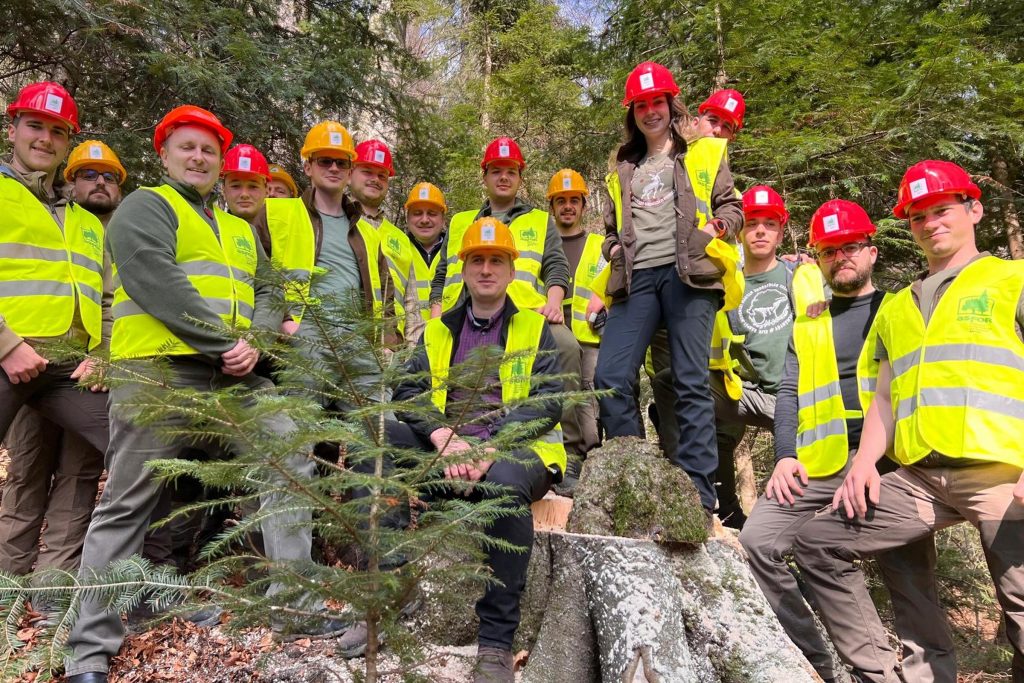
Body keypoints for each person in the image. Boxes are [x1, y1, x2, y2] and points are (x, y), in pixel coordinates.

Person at [63, 105, 343, 683]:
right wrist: (222, 341)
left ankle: (297, 605)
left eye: (208, 151)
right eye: (187, 147)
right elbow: (151, 275)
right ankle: (88, 649)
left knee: (288, 451)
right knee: (128, 503)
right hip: (162, 375)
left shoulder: (239, 229)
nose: (198, 158)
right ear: (164, 154)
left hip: (235, 379)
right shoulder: (145, 206)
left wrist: (256, 343)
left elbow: (270, 291)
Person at [793, 160, 1024, 683]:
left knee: (1021, 607)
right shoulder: (897, 307)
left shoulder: (1012, 279)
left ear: (974, 210)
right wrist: (865, 463)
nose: (931, 223)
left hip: (1003, 477)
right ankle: (886, 675)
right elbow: (885, 397)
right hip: (920, 478)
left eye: (942, 210)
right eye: (918, 216)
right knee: (818, 542)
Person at [740, 198, 951, 682]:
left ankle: (925, 676)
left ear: (872, 252)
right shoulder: (808, 320)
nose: (842, 258)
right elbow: (789, 392)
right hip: (818, 462)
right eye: (829, 250)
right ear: (817, 258)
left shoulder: (900, 308)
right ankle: (825, 662)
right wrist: (785, 455)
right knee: (758, 542)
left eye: (851, 247)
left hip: (889, 463)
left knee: (909, 577)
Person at [391, 216, 563, 682]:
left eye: (496, 261)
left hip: (517, 454)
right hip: (451, 448)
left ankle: (495, 643)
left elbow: (549, 400)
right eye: (477, 260)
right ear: (464, 270)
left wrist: (491, 449)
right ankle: (384, 595)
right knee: (382, 444)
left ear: (510, 271)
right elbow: (406, 392)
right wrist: (444, 437)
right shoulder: (438, 330)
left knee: (504, 488)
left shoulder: (533, 328)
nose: (486, 270)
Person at [594, 61, 743, 516]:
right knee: (610, 377)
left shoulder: (702, 152)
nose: (649, 111)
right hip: (637, 280)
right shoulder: (623, 166)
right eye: (640, 104)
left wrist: (713, 230)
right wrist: (614, 250)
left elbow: (732, 208)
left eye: (656, 101)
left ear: (669, 104)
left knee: (689, 379)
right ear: (632, 113)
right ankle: (632, 474)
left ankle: (699, 488)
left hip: (689, 276)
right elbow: (609, 230)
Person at [0, 136, 122, 574]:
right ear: (71, 181)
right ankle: (8, 583)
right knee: (28, 470)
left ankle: (53, 585)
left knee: (79, 475)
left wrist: (106, 354)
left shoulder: (98, 231)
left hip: (82, 367)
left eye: (109, 176)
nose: (100, 183)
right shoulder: (26, 202)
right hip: (21, 358)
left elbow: (111, 302)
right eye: (88, 174)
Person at [428, 138, 587, 460]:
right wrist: (435, 315)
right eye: (496, 171)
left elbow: (557, 267)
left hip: (524, 316)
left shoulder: (541, 221)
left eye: (510, 171)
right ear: (484, 176)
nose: (503, 177)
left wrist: (554, 303)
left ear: (520, 177)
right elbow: (442, 275)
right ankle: (439, 444)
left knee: (567, 347)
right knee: (425, 362)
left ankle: (569, 453)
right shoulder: (461, 222)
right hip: (463, 315)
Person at [709, 186, 796, 528]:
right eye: (753, 223)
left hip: (794, 398)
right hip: (747, 393)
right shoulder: (730, 283)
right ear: (740, 229)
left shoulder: (799, 276)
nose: (760, 231)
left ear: (781, 231)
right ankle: (725, 510)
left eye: (769, 224)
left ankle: (786, 527)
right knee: (694, 396)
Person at [546, 168, 603, 492]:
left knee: (589, 407)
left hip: (589, 338)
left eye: (573, 200)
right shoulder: (544, 243)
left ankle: (588, 468)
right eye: (561, 201)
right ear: (552, 207)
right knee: (555, 400)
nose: (568, 206)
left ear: (583, 205)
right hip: (551, 335)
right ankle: (560, 465)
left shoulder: (597, 245)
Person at [389, 182, 447, 343]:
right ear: (407, 217)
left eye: (432, 213)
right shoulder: (397, 250)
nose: (424, 219)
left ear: (443, 218)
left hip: (450, 343)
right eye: (417, 213)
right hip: (408, 344)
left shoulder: (455, 252)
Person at [221, 143, 270, 222]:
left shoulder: (280, 230)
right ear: (223, 190)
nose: (244, 194)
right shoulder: (210, 230)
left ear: (267, 191)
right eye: (235, 186)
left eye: (253, 186)